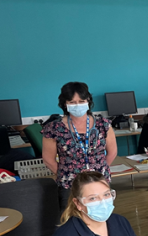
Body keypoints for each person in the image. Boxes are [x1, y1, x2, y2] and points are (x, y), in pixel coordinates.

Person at [42, 82, 117, 212]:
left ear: (88, 101)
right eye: (72, 102)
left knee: (100, 216)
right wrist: (65, 174)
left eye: (81, 101)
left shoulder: (103, 124)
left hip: (99, 181)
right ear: (65, 104)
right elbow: (48, 159)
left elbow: (112, 152)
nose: (77, 105)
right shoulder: (53, 128)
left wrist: (100, 170)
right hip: (70, 183)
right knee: (72, 220)